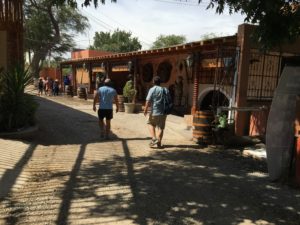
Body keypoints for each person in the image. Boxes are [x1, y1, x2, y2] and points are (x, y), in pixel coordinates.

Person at [143, 76, 171, 148]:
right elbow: (169, 100)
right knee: (161, 128)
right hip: (164, 111)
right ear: (160, 82)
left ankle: (154, 138)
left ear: (153, 82)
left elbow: (148, 100)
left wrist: (145, 109)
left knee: (150, 123)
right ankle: (159, 143)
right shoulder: (165, 90)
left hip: (155, 110)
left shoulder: (152, 89)